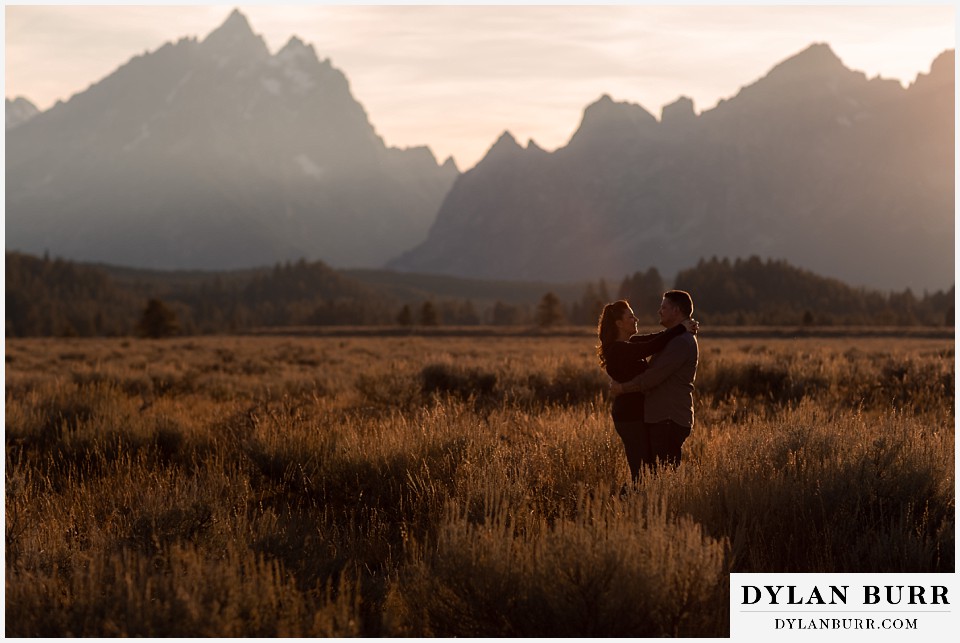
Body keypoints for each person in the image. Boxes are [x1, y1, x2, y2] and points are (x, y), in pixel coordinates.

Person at [597, 299, 697, 484]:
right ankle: (621, 507)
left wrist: (681, 328)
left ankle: (633, 506)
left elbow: (658, 338)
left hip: (637, 415)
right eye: (630, 316)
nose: (636, 319)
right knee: (641, 474)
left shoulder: (630, 343)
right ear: (619, 323)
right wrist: (681, 328)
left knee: (647, 471)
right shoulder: (619, 349)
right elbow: (652, 346)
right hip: (630, 417)